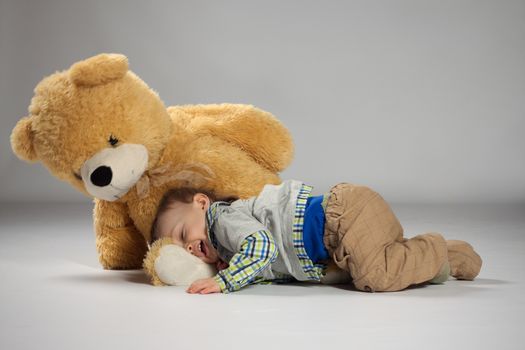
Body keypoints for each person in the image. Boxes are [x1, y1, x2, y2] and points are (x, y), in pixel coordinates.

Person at [150, 180, 482, 294]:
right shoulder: (225, 244)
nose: (190, 248)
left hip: (344, 214)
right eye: (183, 250)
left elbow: (262, 246)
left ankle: (443, 252)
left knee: (376, 277)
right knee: (377, 264)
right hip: (345, 232)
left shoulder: (222, 217)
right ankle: (435, 262)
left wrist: (225, 282)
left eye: (183, 233)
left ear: (202, 203)